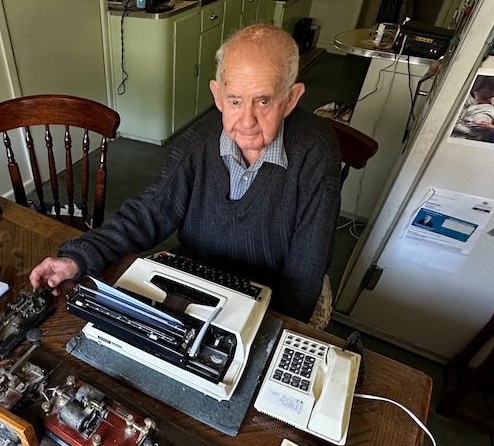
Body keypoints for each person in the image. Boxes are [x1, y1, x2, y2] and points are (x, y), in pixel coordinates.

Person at [29, 24, 342, 323]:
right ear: (218, 96)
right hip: (193, 276)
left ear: (290, 98)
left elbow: (304, 272)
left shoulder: (316, 152)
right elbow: (150, 212)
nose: (246, 120)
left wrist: (263, 332)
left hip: (266, 295)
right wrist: (77, 258)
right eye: (234, 100)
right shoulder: (201, 139)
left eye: (263, 100)